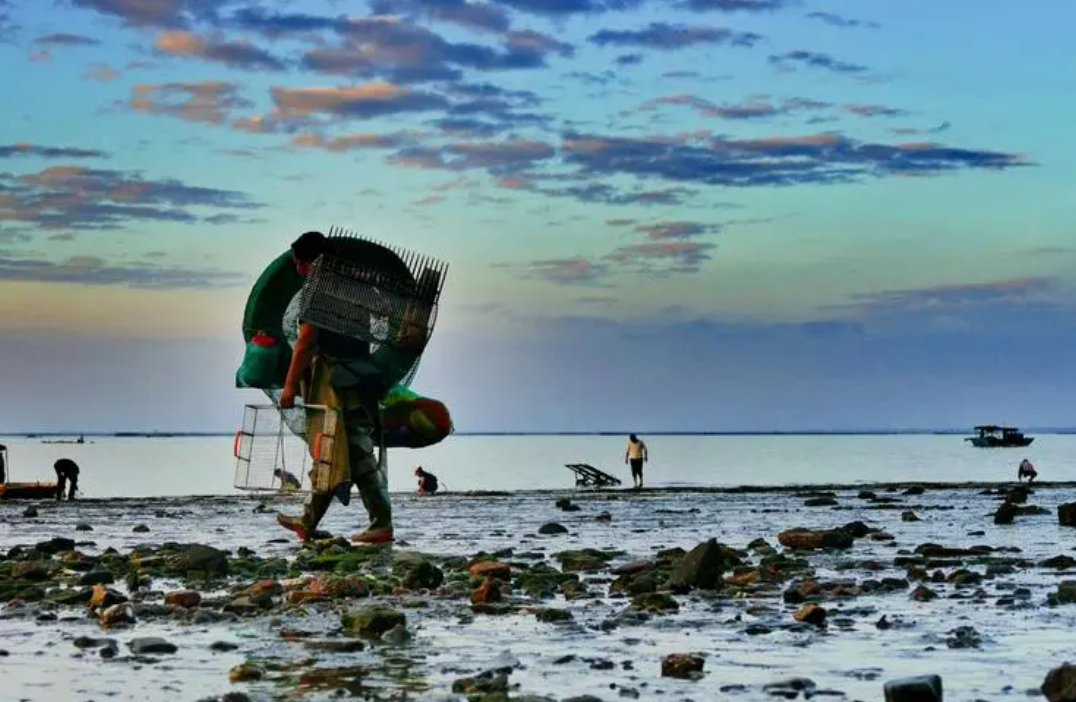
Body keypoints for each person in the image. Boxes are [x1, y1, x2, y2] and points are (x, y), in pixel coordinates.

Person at [275, 230, 404, 545]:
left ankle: (372, 523)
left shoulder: (317, 291)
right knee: (357, 452)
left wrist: (290, 386)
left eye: (300, 263)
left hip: (333, 382)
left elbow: (306, 342)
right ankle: (370, 523)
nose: (297, 269)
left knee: (329, 449)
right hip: (360, 377)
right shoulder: (355, 289)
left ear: (312, 263)